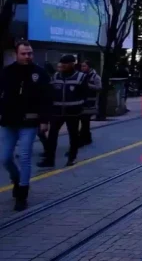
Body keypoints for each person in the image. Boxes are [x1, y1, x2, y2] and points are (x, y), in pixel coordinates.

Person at [0, 41, 51, 211]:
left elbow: (46, 99)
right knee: (5, 158)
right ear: (17, 54)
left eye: (29, 53)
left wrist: (44, 120)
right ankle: (16, 178)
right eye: (24, 53)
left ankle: (22, 193)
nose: (27, 56)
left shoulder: (40, 73)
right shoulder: (7, 72)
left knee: (24, 156)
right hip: (8, 121)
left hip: (29, 122)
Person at [38, 55, 88, 168]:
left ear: (72, 64)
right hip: (57, 112)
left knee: (73, 136)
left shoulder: (81, 77)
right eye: (61, 63)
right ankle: (49, 160)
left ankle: (72, 158)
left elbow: (85, 94)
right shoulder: (55, 76)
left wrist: (81, 107)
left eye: (65, 64)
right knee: (52, 136)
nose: (62, 66)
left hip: (73, 113)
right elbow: (50, 93)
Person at [79, 60, 102, 147]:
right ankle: (87, 138)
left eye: (84, 66)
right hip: (82, 102)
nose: (82, 68)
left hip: (90, 103)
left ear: (89, 67)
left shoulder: (95, 76)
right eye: (82, 66)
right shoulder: (81, 76)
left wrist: (88, 85)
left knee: (85, 121)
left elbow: (99, 87)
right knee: (84, 121)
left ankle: (82, 139)